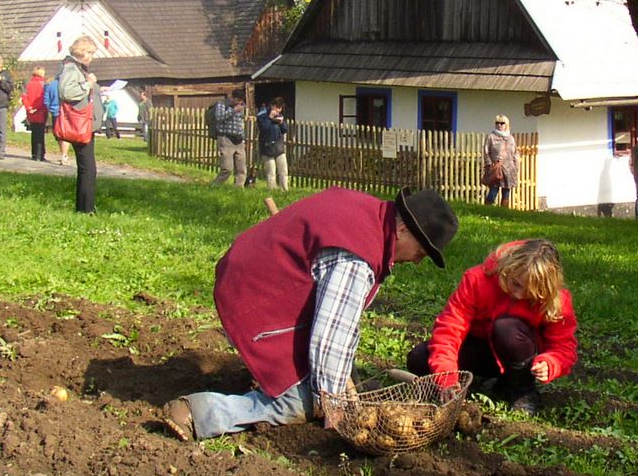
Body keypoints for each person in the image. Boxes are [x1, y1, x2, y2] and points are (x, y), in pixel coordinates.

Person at [161, 186, 459, 441]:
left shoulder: (368, 212)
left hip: (252, 279)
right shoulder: (358, 258)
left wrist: (345, 381)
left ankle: (284, 377)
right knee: (298, 402)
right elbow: (329, 337)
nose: (418, 262)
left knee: (330, 376)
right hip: (253, 302)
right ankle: (199, 413)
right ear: (403, 229)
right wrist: (336, 409)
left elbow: (341, 319)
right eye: (421, 252)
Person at [406, 239, 578, 415]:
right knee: (419, 359)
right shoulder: (477, 280)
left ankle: (522, 389)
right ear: (508, 268)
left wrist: (551, 363)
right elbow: (449, 329)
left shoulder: (557, 301)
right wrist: (447, 377)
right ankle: (468, 382)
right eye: (516, 284)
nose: (519, 295)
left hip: (520, 354)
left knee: (506, 328)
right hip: (479, 349)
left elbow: (564, 347)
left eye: (530, 293)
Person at [59, 36, 103, 214]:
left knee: (87, 168)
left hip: (85, 123)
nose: (92, 57)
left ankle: (84, 207)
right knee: (88, 169)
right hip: (80, 124)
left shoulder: (77, 68)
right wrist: (89, 84)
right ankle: (86, 209)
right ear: (83, 51)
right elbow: (67, 91)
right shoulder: (71, 68)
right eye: (91, 53)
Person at [212, 88, 247, 187]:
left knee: (241, 168)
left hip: (239, 140)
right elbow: (219, 117)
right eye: (238, 100)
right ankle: (215, 186)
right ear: (233, 97)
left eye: (241, 101)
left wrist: (244, 138)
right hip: (225, 138)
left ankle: (238, 188)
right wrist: (233, 110)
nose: (239, 103)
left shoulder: (241, 107)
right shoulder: (222, 104)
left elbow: (240, 124)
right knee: (227, 168)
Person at [483, 114, 519, 207]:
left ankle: (503, 212)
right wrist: (489, 164)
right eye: (497, 123)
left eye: (502, 123)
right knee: (493, 191)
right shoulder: (491, 137)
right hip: (496, 168)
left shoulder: (511, 138)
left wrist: (516, 166)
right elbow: (486, 151)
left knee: (506, 192)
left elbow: (515, 153)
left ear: (506, 124)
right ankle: (486, 210)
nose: (499, 125)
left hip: (509, 169)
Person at [257, 97, 289, 191]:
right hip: (267, 146)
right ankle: (272, 190)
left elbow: (285, 130)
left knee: (283, 170)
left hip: (278, 146)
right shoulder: (262, 115)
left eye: (280, 108)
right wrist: (270, 117)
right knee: (271, 171)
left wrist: (282, 123)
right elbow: (264, 128)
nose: (278, 110)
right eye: (276, 107)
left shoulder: (279, 115)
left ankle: (284, 190)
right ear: (272, 106)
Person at [43, 68, 70, 165]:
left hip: (55, 113)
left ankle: (63, 154)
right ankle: (64, 154)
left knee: (58, 135)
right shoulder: (68, 84)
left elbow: (46, 99)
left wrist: (50, 108)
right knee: (65, 135)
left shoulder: (50, 85)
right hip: (67, 113)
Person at [22, 66, 48, 162]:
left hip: (30, 112)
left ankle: (33, 153)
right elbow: (43, 99)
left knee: (34, 132)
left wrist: (29, 107)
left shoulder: (28, 84)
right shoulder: (43, 84)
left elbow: (24, 97)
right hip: (40, 111)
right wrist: (36, 108)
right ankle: (40, 154)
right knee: (40, 134)